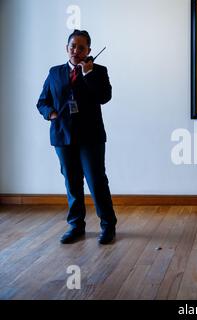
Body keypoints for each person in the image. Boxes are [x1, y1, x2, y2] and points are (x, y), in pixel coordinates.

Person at [37, 30, 117, 245]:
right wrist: (51, 114)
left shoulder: (98, 71)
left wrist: (88, 74)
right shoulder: (54, 72)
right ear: (67, 48)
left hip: (91, 137)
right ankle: (76, 226)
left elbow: (104, 97)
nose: (76, 50)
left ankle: (108, 226)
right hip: (63, 137)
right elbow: (42, 101)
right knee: (72, 183)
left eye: (81, 47)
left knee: (96, 181)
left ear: (89, 51)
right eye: (73, 46)